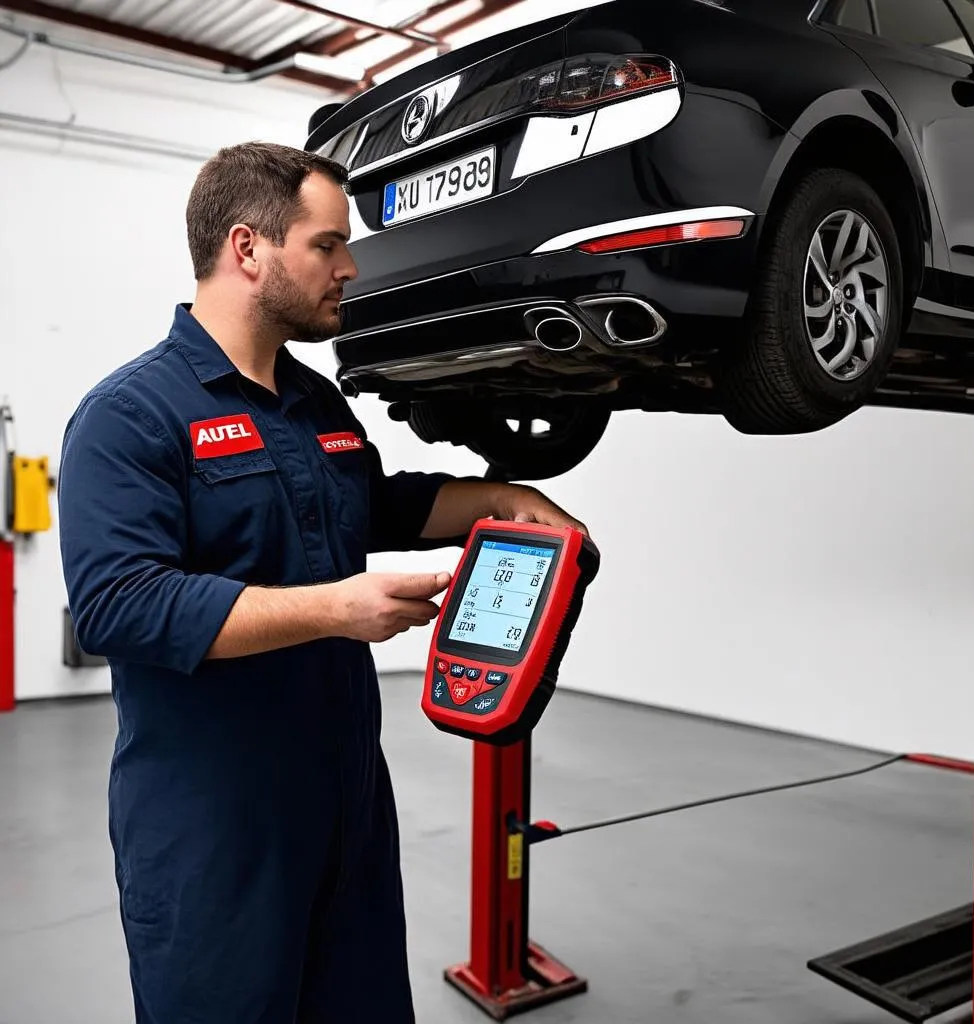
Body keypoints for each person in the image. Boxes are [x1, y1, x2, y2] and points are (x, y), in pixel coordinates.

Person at [57, 141, 587, 1024]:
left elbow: (368, 503)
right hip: (213, 826)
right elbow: (121, 604)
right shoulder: (130, 416)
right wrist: (339, 609)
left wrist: (503, 498)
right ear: (248, 248)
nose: (349, 267)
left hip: (347, 806)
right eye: (328, 245)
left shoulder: (315, 405)